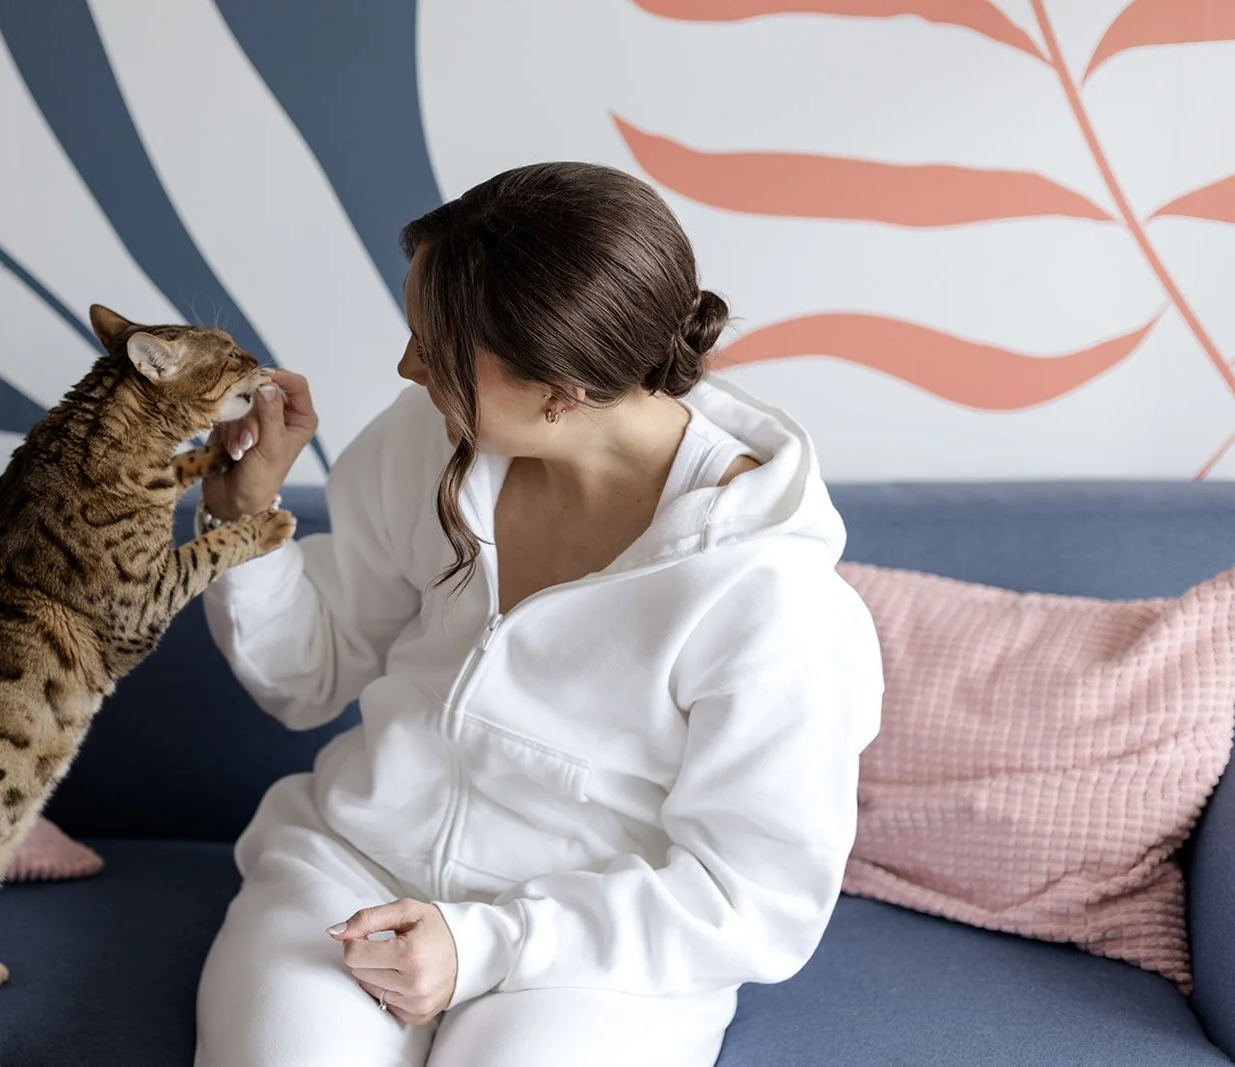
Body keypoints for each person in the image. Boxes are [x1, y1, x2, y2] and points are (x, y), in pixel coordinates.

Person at [191, 161, 884, 1066]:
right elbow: (306, 677)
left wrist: (488, 942)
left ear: (561, 388)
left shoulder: (772, 598)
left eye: (435, 346)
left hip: (595, 955)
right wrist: (245, 517)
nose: (407, 367)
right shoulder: (424, 438)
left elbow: (753, 897)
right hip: (352, 873)